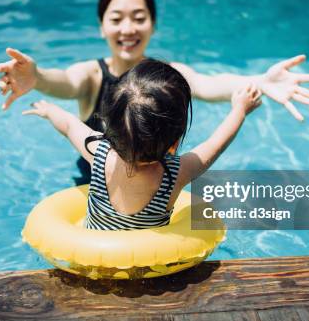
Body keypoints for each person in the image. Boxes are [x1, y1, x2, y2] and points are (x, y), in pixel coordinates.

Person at [0, 0, 309, 182]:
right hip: (93, 185)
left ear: (152, 24)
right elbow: (62, 80)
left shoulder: (167, 76)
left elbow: (210, 85)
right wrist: (35, 76)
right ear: (101, 26)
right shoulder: (92, 75)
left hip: (157, 184)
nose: (128, 29)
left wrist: (259, 80)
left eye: (139, 18)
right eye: (117, 19)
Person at [23, 59, 261, 230]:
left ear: (108, 126)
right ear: (174, 142)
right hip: (150, 269)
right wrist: (240, 109)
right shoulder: (177, 173)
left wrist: (48, 110)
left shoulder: (99, 155)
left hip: (95, 262)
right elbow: (217, 142)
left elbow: (68, 125)